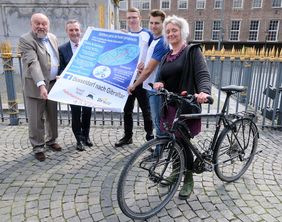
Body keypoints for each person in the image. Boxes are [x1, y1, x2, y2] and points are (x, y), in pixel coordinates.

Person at [153, 15, 211, 200]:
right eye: (168, 31)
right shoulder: (165, 56)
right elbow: (161, 77)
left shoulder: (192, 51)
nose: (170, 34)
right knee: (173, 141)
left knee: (183, 142)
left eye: (174, 30)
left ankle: (188, 178)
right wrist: (159, 83)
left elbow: (202, 74)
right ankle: (176, 171)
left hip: (186, 106)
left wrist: (204, 92)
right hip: (169, 106)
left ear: (182, 32)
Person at [18, 13, 62, 161]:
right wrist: (41, 84)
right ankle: (38, 146)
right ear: (31, 24)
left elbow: (56, 60)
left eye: (44, 24)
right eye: (37, 23)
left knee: (52, 115)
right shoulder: (26, 40)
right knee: (36, 119)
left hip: (53, 84)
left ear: (48, 25)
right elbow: (33, 63)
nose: (41, 26)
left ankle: (51, 141)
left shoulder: (53, 38)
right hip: (36, 86)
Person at [128, 9, 170, 139]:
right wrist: (142, 67)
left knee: (157, 119)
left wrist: (134, 85)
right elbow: (148, 63)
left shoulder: (162, 42)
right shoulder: (156, 39)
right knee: (156, 118)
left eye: (156, 23)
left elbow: (149, 70)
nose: (153, 26)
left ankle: (157, 148)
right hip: (150, 86)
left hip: (155, 88)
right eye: (151, 22)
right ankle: (158, 147)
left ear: (163, 24)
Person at [115, 7, 154, 147]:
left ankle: (150, 138)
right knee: (127, 110)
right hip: (127, 80)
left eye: (134, 17)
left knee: (146, 110)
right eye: (129, 18)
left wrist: (146, 65)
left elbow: (153, 55)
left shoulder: (148, 34)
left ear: (139, 18)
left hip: (142, 79)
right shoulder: (125, 36)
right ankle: (127, 136)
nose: (132, 20)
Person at [58, 19, 93, 152]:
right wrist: (63, 76)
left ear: (81, 31)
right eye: (71, 30)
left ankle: (86, 136)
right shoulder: (62, 49)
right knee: (76, 113)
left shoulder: (88, 46)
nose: (74, 32)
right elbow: (61, 68)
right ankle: (78, 139)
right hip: (72, 88)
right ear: (67, 32)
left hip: (88, 87)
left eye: (76, 30)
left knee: (87, 112)